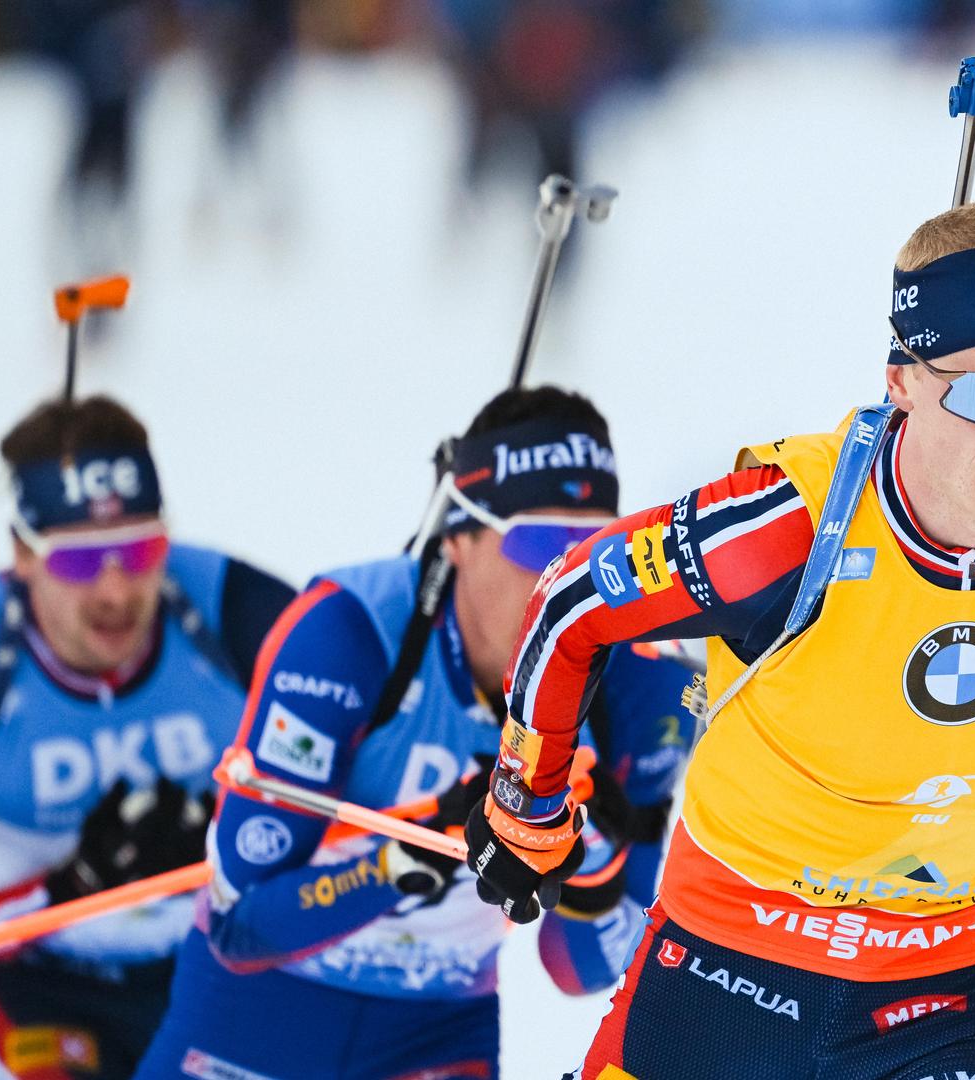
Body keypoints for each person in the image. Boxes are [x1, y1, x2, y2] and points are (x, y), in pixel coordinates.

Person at [463, 202, 975, 1079]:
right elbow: (573, 596)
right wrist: (526, 801)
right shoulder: (787, 531)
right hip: (725, 973)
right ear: (903, 383)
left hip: (941, 990)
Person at [133, 386, 697, 1080]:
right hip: (256, 1019)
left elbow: (580, 970)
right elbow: (241, 927)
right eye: (544, 546)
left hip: (434, 1036)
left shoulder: (648, 686)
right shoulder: (349, 635)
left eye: (599, 552)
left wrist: (595, 865)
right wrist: (411, 853)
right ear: (458, 537)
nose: (570, 584)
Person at [0, 395, 296, 1080]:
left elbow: (365, 792)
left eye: (142, 548)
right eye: (80, 562)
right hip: (39, 988)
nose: (117, 590)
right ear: (22, 555)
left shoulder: (242, 612)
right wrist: (61, 892)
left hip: (219, 965)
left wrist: (243, 839)